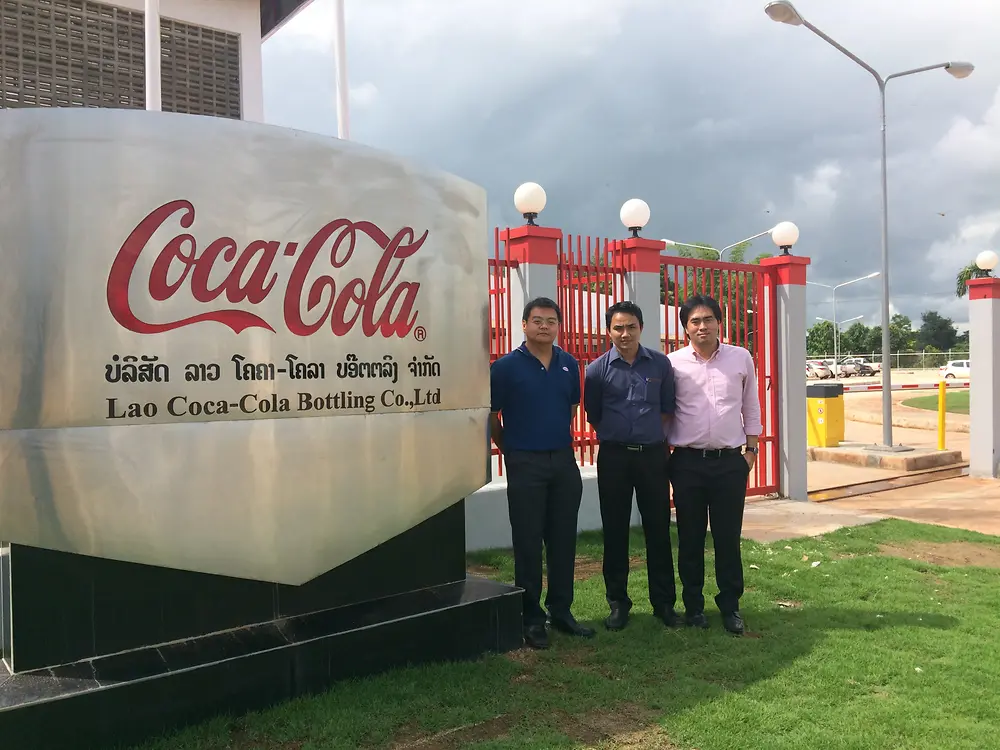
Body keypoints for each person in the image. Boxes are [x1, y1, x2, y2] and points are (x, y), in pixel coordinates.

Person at [489, 296, 596, 649]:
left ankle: (561, 611)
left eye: (551, 321)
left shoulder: (569, 363)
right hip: (525, 464)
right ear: (524, 325)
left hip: (563, 463)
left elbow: (569, 409)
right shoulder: (504, 368)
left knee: (563, 540)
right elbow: (493, 418)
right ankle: (531, 617)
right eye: (537, 320)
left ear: (558, 326)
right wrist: (513, 449)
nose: (545, 326)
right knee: (528, 543)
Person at [666, 294, 762, 636]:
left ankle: (730, 605)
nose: (702, 326)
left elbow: (751, 404)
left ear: (719, 323)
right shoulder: (673, 364)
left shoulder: (740, 358)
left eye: (708, 319)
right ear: (685, 328)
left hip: (729, 463)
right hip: (688, 463)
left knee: (727, 538)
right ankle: (693, 606)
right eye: (695, 321)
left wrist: (751, 451)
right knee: (690, 538)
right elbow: (666, 413)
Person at [583, 300, 679, 631]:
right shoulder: (597, 370)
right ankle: (618, 603)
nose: (625, 334)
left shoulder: (660, 365)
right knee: (615, 530)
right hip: (614, 457)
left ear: (641, 328)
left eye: (631, 327)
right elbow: (593, 414)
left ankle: (664, 603)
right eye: (618, 328)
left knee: (658, 529)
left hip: (652, 456)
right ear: (608, 331)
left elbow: (667, 410)